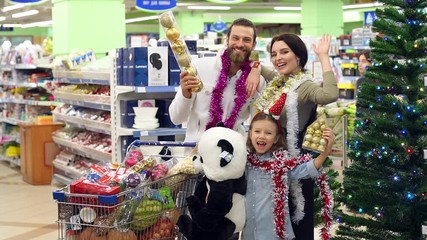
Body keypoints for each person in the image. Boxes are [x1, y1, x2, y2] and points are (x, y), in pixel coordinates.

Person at [253, 33, 339, 239]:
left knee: (297, 213)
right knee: (274, 213)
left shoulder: (305, 86)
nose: (278, 58)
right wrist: (254, 72)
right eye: (273, 54)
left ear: (298, 56)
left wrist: (323, 56)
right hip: (273, 155)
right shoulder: (279, 81)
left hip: (295, 156)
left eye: (284, 52)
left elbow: (330, 95)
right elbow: (255, 65)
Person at [169, 18, 264, 143]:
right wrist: (185, 94)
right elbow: (176, 118)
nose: (240, 44)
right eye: (235, 38)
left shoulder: (257, 81)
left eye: (246, 40)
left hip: (232, 154)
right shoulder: (198, 68)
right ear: (227, 40)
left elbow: (259, 124)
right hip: (196, 153)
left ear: (253, 45)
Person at [243, 112, 335, 240]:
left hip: (275, 235)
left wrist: (325, 152)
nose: (262, 136)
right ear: (250, 133)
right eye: (257, 131)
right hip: (249, 234)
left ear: (276, 138)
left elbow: (306, 169)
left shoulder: (282, 165)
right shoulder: (244, 162)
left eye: (268, 133)